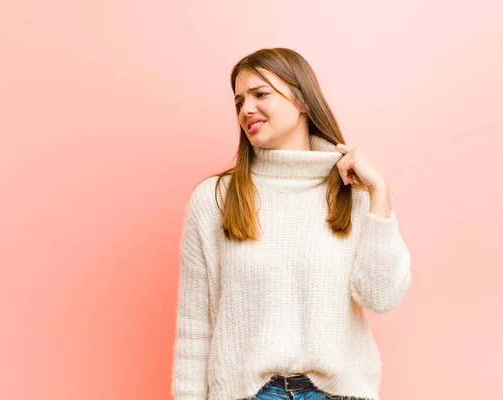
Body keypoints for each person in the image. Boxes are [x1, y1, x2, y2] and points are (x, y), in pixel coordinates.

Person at [170, 47, 412, 400]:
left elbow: (381, 296)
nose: (246, 109)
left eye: (260, 94)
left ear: (301, 100)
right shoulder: (215, 199)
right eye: (239, 102)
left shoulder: (351, 191)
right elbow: (195, 326)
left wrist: (379, 192)